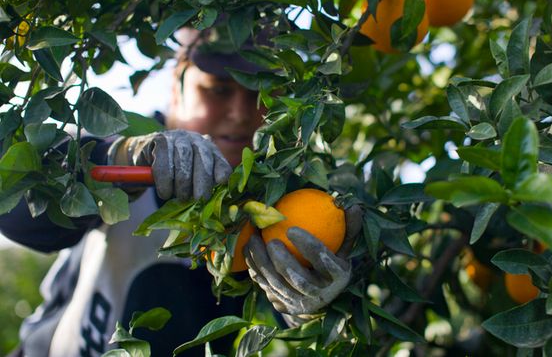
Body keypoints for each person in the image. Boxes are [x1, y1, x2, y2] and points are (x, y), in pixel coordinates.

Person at [0, 24, 359, 356]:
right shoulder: (126, 155)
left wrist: (313, 310)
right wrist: (119, 160)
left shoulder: (278, 203)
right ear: (177, 87)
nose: (240, 113)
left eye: (261, 95)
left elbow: (306, 324)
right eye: (217, 90)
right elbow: (18, 208)